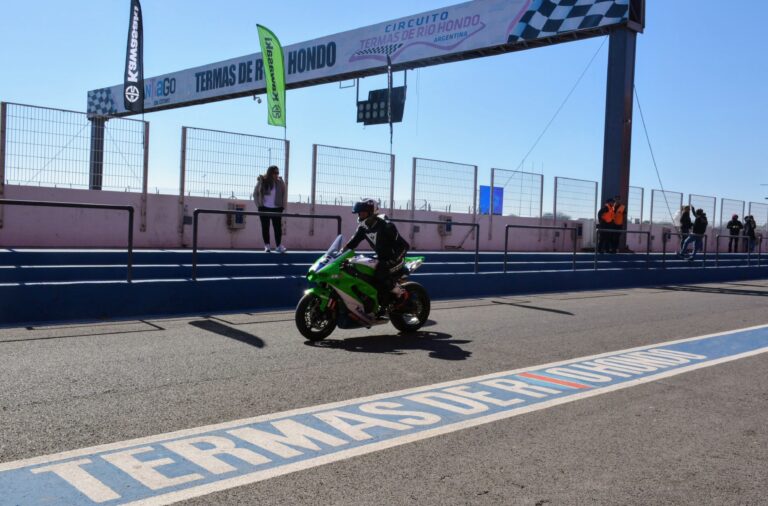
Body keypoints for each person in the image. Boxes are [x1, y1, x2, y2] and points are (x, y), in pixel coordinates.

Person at [343, 199, 409, 312]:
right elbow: (351, 244)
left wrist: (393, 260)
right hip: (381, 257)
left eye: (363, 213)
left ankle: (401, 294)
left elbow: (404, 246)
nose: (360, 215)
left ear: (371, 212)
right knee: (359, 269)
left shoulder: (386, 226)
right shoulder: (363, 228)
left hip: (395, 259)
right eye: (359, 213)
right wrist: (339, 255)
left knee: (380, 273)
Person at [254, 165, 287, 253]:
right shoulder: (262, 181)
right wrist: (259, 205)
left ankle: (278, 246)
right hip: (264, 208)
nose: (277, 174)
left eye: (278, 172)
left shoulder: (280, 182)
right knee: (265, 227)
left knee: (277, 228)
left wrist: (283, 206)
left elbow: (284, 194)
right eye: (275, 173)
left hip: (277, 208)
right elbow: (255, 193)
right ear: (270, 173)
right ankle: (267, 246)